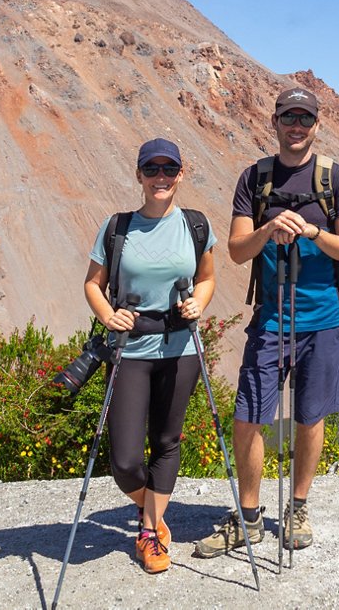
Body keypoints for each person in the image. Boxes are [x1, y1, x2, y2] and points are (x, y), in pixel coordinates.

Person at [195, 86, 339, 558]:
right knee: (249, 416)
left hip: (324, 319)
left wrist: (312, 231)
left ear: (316, 126)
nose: (296, 126)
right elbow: (235, 250)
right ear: (274, 122)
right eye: (288, 118)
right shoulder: (255, 179)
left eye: (304, 119)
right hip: (270, 320)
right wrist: (269, 229)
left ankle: (298, 507)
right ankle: (248, 517)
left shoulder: (336, 178)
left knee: (311, 417)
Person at [82, 137, 216, 574]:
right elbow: (92, 284)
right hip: (131, 349)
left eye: (169, 170)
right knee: (124, 459)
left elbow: (208, 278)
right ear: (138, 174)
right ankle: (152, 514)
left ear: (181, 174)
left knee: (166, 440)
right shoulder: (117, 227)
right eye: (152, 169)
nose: (161, 177)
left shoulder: (195, 226)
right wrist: (107, 314)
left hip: (180, 348)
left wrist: (200, 302)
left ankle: (149, 529)